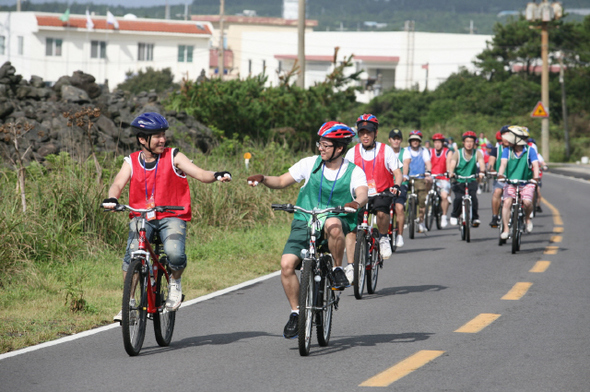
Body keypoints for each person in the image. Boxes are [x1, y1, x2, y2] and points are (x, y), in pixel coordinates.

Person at [103, 112, 232, 322]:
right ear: (142, 139)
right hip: (142, 215)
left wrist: (216, 175)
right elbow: (118, 183)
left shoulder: (174, 156)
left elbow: (200, 173)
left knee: (174, 254)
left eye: (163, 134)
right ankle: (129, 305)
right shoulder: (132, 161)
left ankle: (175, 282)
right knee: (133, 255)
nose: (162, 139)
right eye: (156, 136)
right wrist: (111, 198)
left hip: (172, 215)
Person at [247, 121, 368, 339]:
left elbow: (362, 193)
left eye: (325, 144)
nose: (320, 148)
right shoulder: (310, 164)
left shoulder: (353, 171)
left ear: (339, 148)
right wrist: (263, 179)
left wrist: (357, 203)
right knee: (286, 265)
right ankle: (296, 313)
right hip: (306, 219)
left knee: (333, 225)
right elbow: (283, 180)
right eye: (319, 143)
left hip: (336, 217)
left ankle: (337, 269)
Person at [344, 114, 401, 283]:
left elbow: (397, 173)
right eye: (362, 132)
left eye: (368, 132)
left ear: (375, 133)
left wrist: (396, 186)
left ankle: (383, 238)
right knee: (351, 228)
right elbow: (344, 175)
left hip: (381, 192)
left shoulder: (386, 150)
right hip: (360, 196)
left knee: (382, 212)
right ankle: (351, 265)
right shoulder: (352, 152)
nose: (365, 136)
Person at [497, 126, 540, 239]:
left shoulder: (530, 151)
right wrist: (500, 175)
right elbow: (503, 164)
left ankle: (527, 219)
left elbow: (535, 165)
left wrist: (535, 178)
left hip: (526, 182)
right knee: (507, 203)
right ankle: (506, 228)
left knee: (527, 202)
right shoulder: (507, 150)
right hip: (511, 182)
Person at [448, 131, 486, 227]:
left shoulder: (477, 153)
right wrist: (451, 172)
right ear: (463, 143)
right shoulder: (457, 153)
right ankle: (454, 215)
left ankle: (475, 218)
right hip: (458, 179)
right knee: (458, 197)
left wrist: (482, 172)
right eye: (467, 141)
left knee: (473, 197)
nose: (469, 144)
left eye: (471, 141)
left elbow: (482, 164)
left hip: (471, 179)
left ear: (474, 143)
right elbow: (452, 164)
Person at [402, 130, 432, 233]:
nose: (415, 142)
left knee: (422, 200)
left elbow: (427, 162)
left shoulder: (423, 151)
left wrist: (428, 171)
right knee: (402, 196)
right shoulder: (406, 150)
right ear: (410, 141)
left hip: (419, 178)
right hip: (408, 178)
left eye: (417, 140)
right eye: (413, 140)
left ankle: (421, 221)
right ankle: (406, 217)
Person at [388, 129, 408, 247]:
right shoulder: (386, 151)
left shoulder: (405, 152)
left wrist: (404, 175)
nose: (396, 141)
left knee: (399, 208)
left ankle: (400, 235)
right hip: (387, 185)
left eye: (398, 138)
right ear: (389, 140)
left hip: (400, 184)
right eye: (393, 138)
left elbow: (405, 164)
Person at [487, 127, 510, 227]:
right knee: (497, 192)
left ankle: (520, 217)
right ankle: (495, 216)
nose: (506, 138)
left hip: (513, 180)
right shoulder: (496, 150)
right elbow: (491, 162)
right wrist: (491, 169)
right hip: (500, 179)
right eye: (504, 135)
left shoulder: (517, 149)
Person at [429, 133, 451, 227]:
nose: (437, 144)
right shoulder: (430, 151)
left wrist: (449, 171)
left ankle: (444, 216)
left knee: (444, 196)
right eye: (435, 142)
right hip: (432, 177)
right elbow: (427, 163)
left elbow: (449, 163)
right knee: (424, 183)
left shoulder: (447, 152)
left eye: (439, 142)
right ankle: (427, 202)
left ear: (442, 143)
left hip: (443, 177)